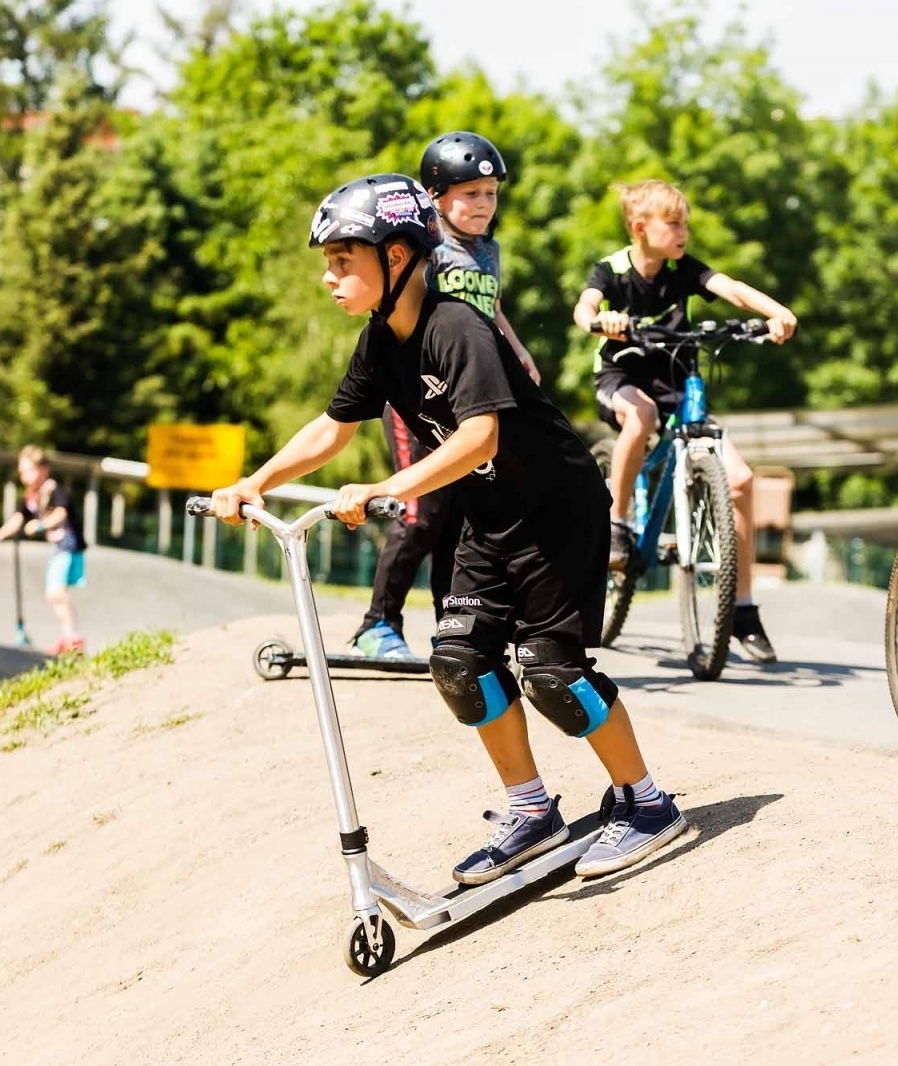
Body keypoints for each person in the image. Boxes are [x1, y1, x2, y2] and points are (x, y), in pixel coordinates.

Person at [211, 174, 687, 880]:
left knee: (553, 676)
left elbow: (480, 438)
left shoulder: (456, 326)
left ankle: (647, 804)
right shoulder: (383, 338)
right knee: (461, 665)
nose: (329, 277)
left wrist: (387, 488)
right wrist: (257, 480)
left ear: (397, 256)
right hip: (488, 519)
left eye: (345, 259)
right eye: (330, 262)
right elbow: (334, 427)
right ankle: (532, 811)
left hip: (555, 512)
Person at [572, 178, 798, 664]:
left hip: (679, 383)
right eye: (673, 224)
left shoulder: (683, 270)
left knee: (740, 480)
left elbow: (731, 289)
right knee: (642, 417)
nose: (683, 232)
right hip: (623, 376)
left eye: (685, 224)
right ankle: (616, 521)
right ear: (640, 228)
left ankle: (742, 609)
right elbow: (584, 307)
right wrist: (601, 320)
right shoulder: (611, 270)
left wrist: (775, 311)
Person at [348, 131, 541, 659]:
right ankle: (376, 624)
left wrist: (517, 352)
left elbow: (491, 309)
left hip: (465, 400)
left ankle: (450, 623)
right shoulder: (430, 252)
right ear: (435, 198)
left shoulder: (489, 250)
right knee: (421, 515)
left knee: (459, 521)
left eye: (492, 194)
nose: (484, 205)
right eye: (470, 194)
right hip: (417, 400)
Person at [0, 445, 88, 655]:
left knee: (55, 591)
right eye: (22, 471)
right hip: (59, 548)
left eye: (28, 470)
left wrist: (41, 525)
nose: (24, 476)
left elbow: (61, 514)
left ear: (43, 469)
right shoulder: (31, 496)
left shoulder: (54, 489)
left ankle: (73, 637)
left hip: (69, 546)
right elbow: (18, 519)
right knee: (55, 593)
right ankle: (67, 635)